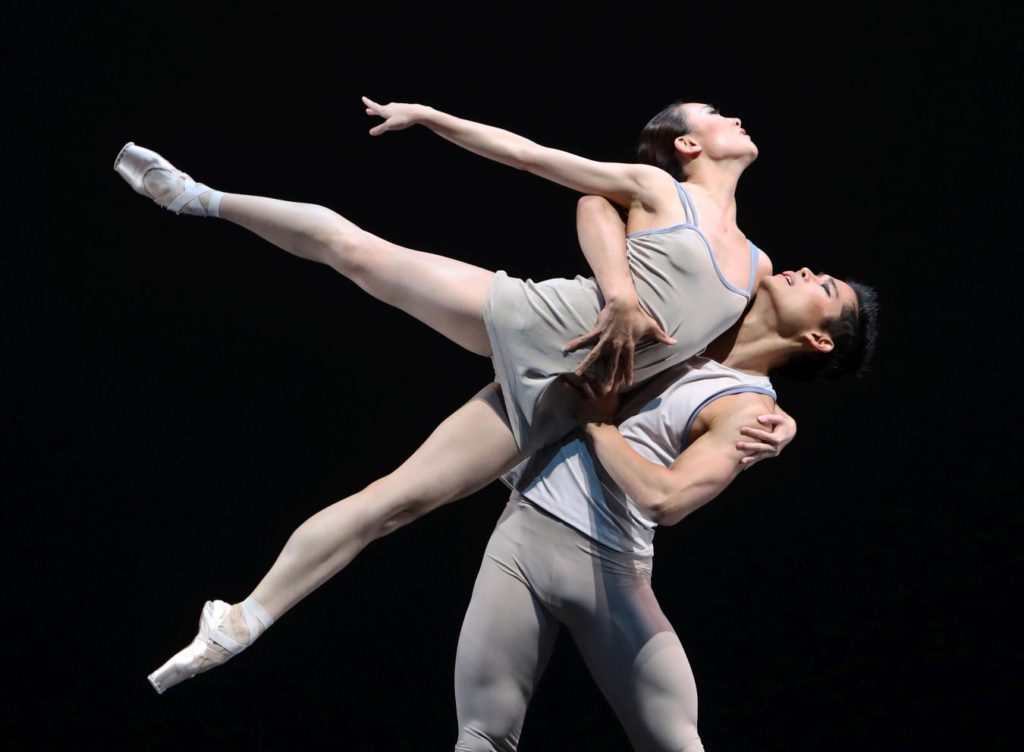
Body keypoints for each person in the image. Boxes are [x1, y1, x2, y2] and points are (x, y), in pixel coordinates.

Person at [111, 99, 837, 692]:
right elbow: (534, 160)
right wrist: (432, 117)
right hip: (545, 316)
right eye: (716, 114)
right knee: (361, 253)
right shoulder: (658, 191)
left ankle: (238, 624)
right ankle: (196, 197)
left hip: (564, 396)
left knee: (393, 502)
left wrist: (771, 417)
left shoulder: (759, 265)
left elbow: (713, 360)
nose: (736, 119)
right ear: (685, 145)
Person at [452, 271, 879, 750]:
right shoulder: (698, 311)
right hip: (520, 536)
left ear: (818, 339)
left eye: (824, 288)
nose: (806, 272)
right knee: (481, 735)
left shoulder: (748, 411)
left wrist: (598, 425)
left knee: (675, 742)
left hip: (607, 571)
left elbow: (666, 499)